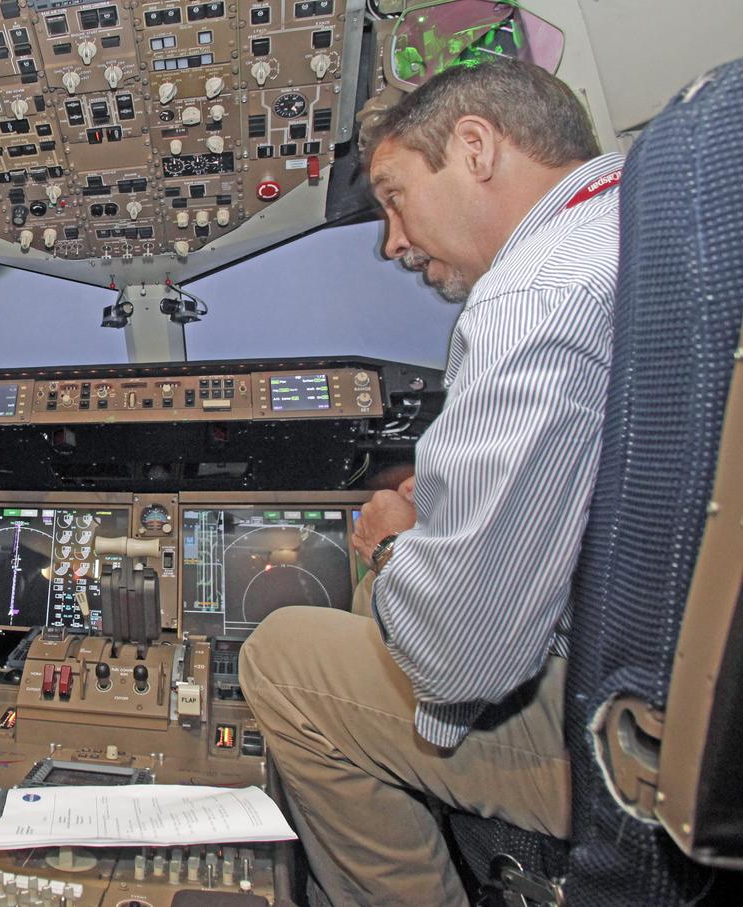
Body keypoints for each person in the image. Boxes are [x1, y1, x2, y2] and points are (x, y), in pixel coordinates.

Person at [240, 57, 624, 906]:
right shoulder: (643, 220)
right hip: (673, 689)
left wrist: (393, 549)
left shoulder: (534, 295)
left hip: (617, 735)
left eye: (394, 195)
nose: (392, 242)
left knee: (281, 658)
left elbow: (461, 661)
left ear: (477, 147)